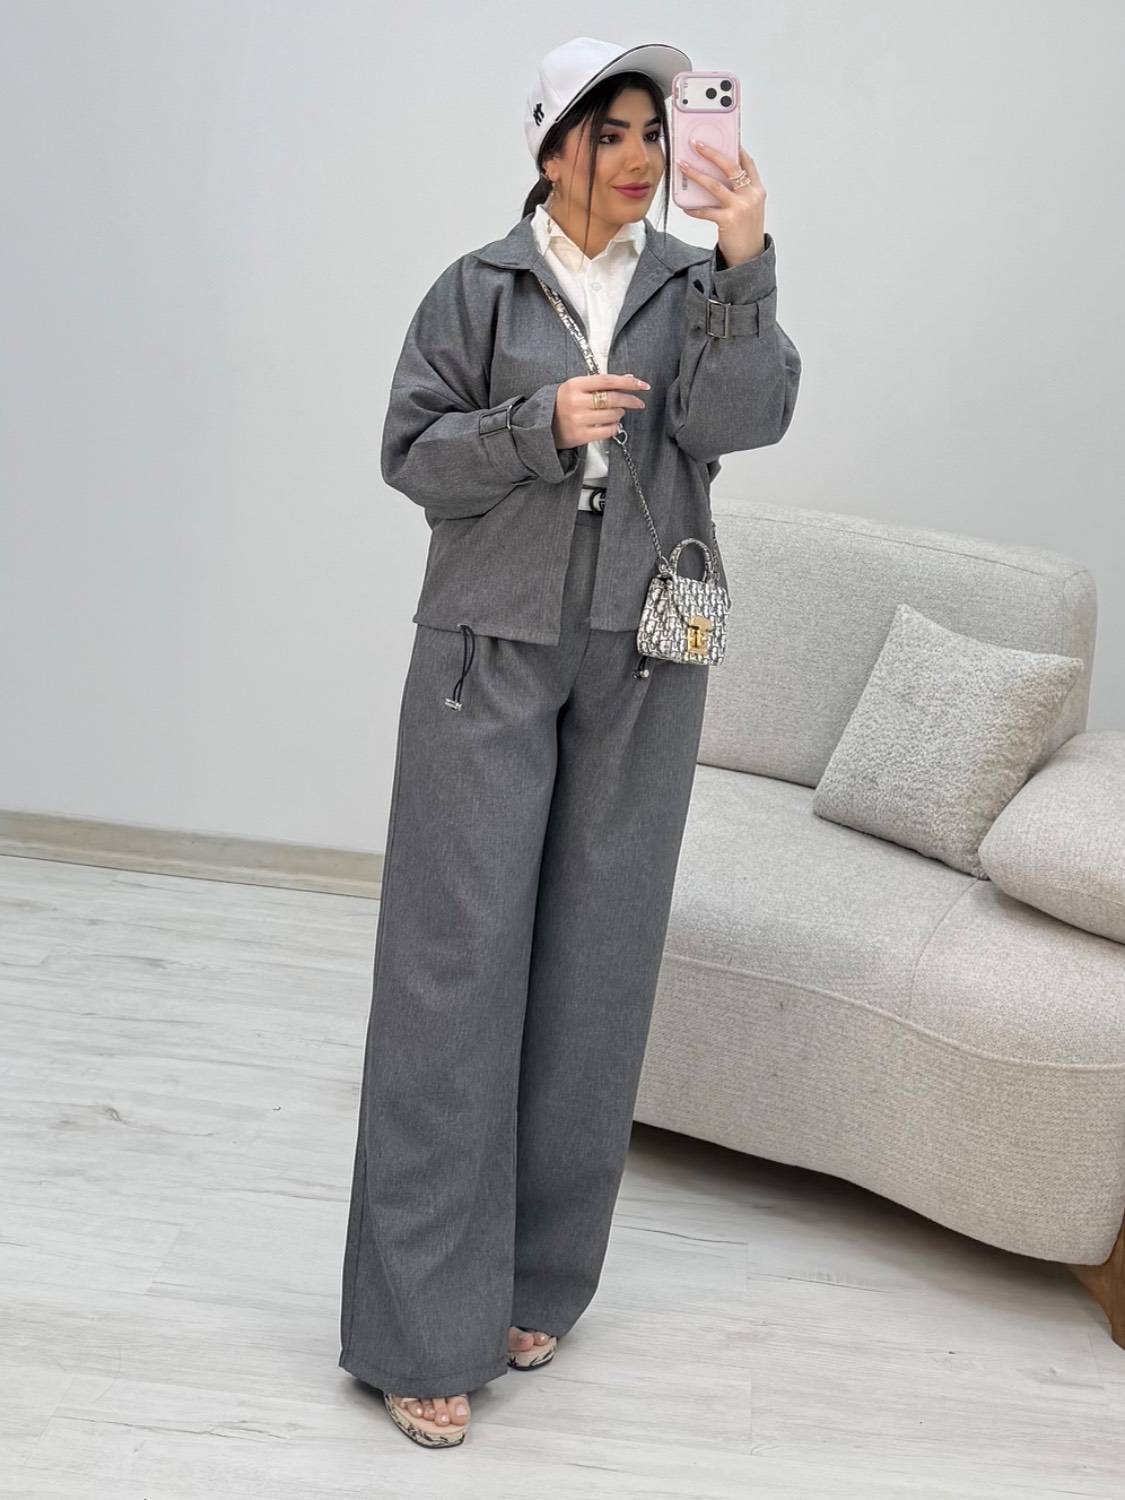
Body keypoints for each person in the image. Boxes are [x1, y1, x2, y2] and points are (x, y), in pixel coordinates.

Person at [337, 34, 802, 1448]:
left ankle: (539, 1280)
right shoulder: (475, 288)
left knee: (600, 961)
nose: (643, 155)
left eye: (656, 129)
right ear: (552, 149)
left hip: (646, 648)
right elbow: (412, 456)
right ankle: (420, 1331)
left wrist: (743, 261)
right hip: (488, 643)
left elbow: (744, 419)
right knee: (453, 972)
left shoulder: (694, 281)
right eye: (613, 131)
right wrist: (536, 424)